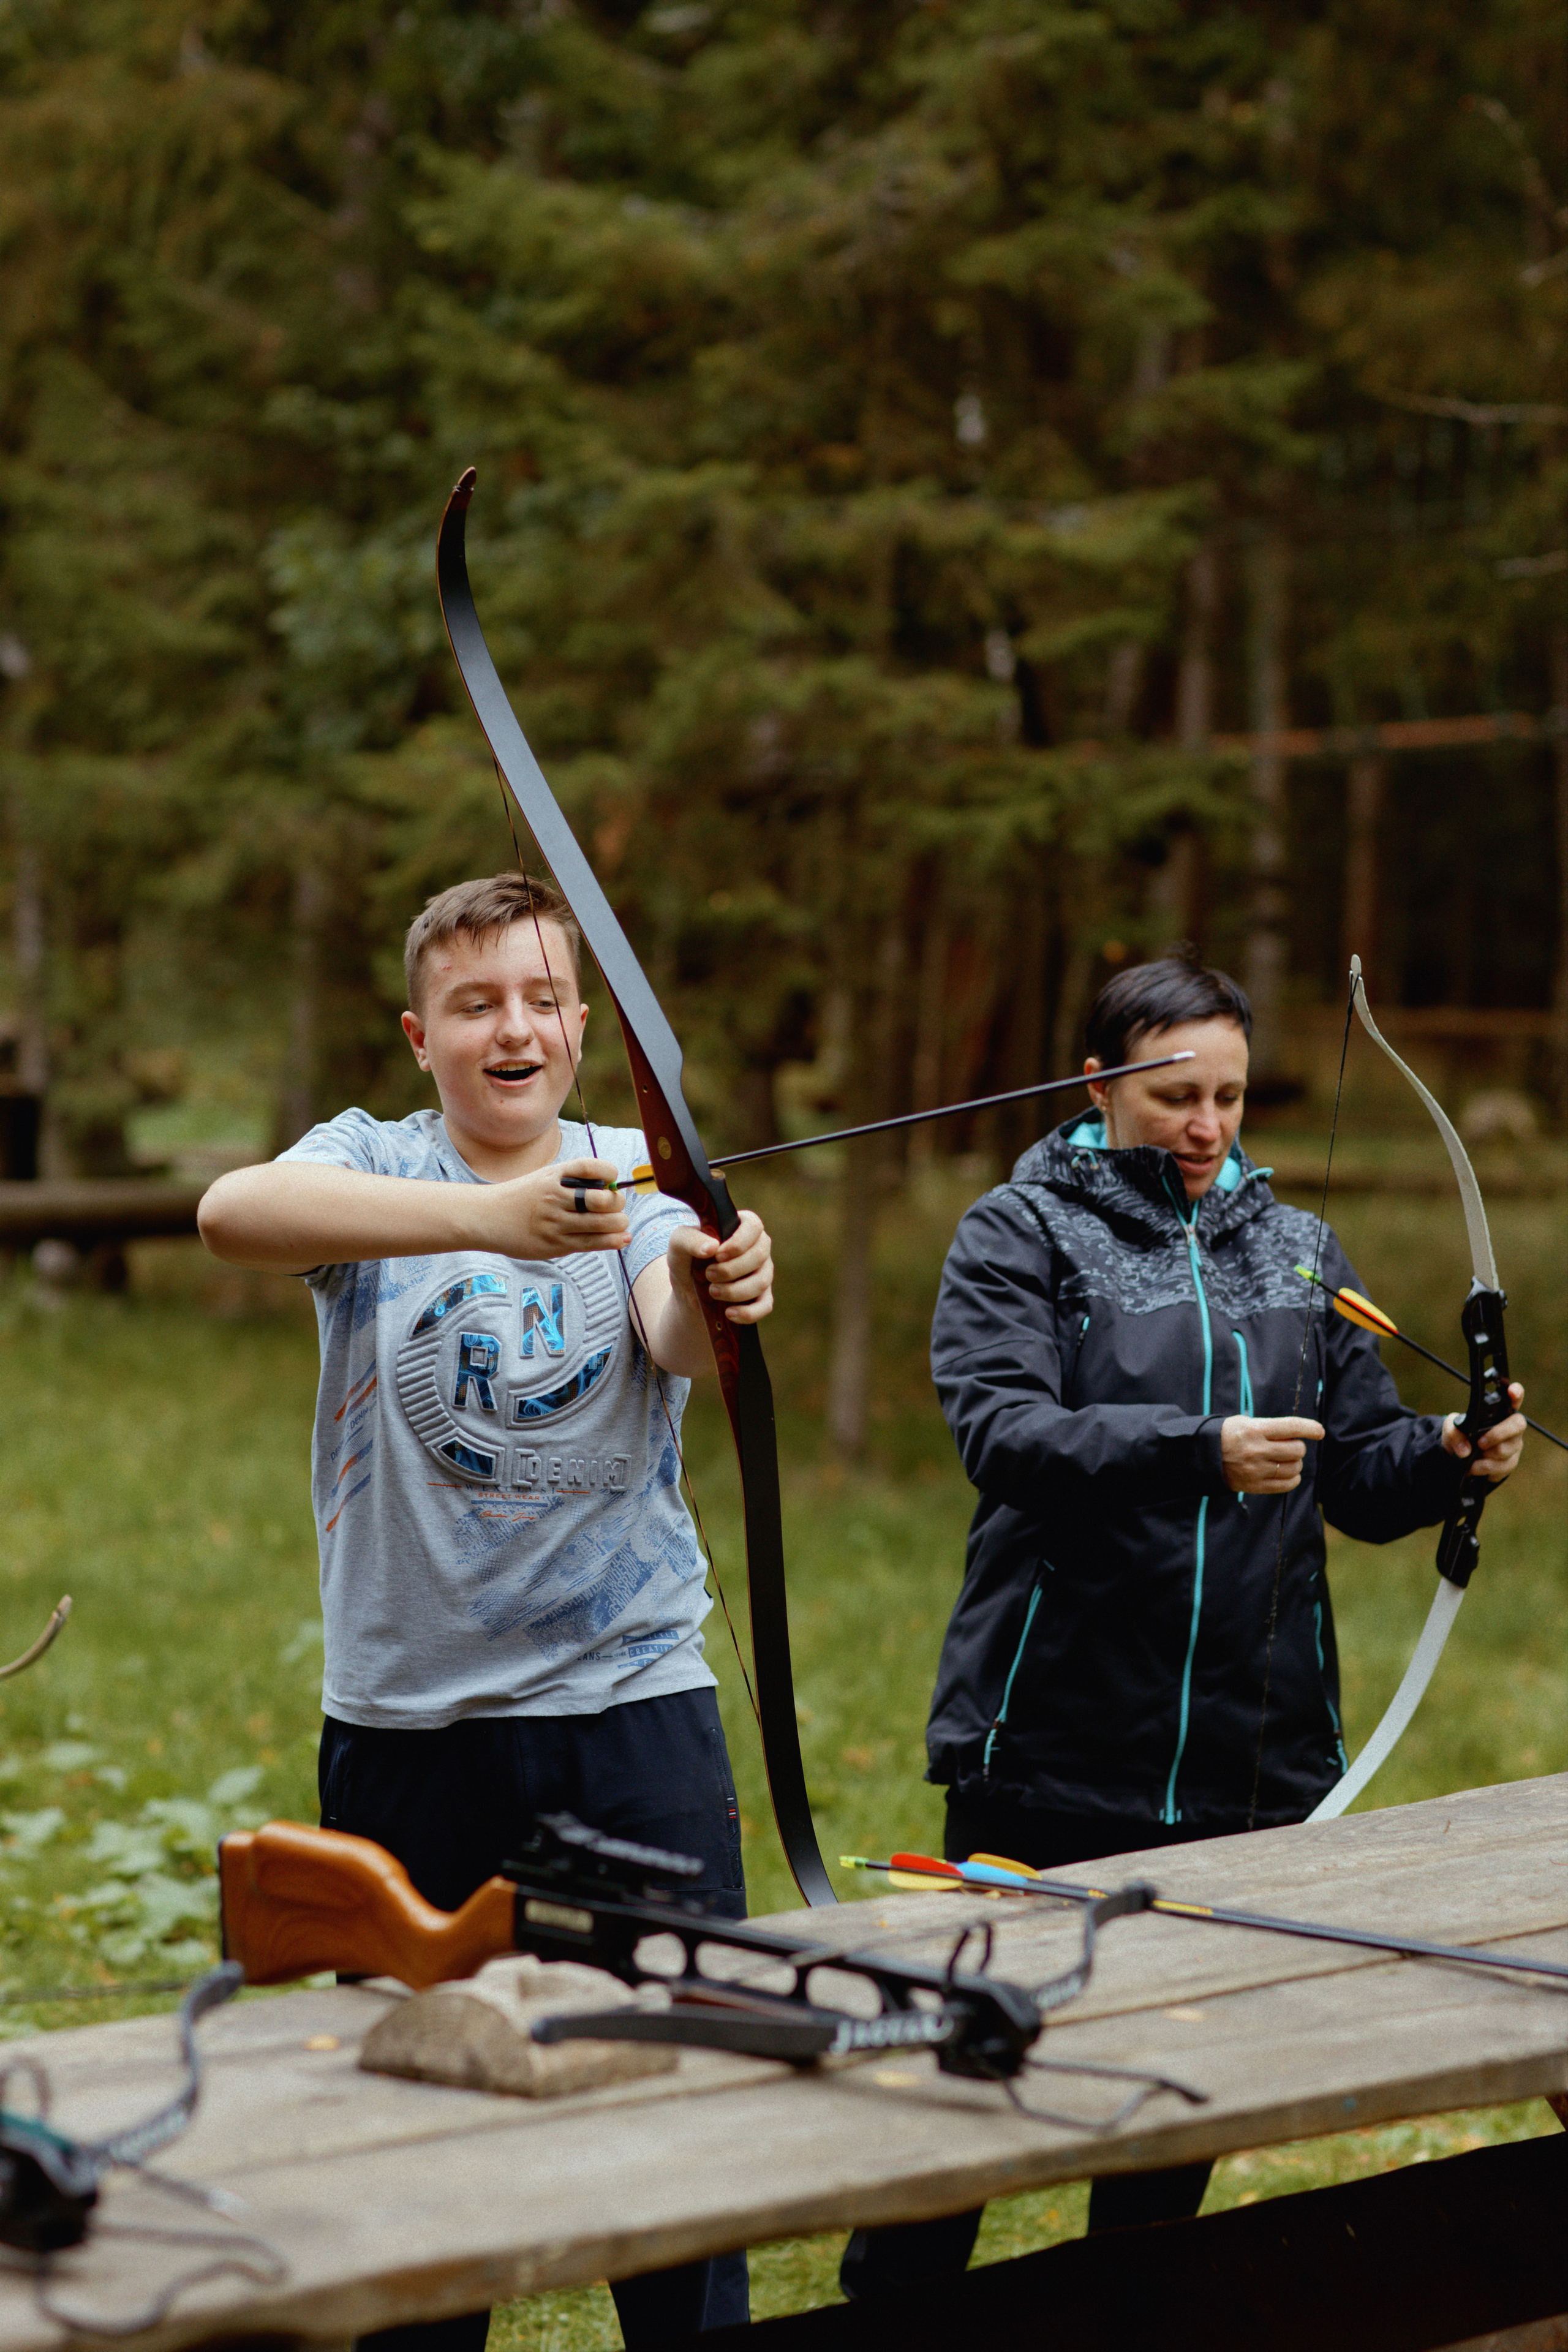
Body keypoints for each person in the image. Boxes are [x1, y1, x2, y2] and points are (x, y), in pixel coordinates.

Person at [840, 948, 1527, 2300]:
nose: (1207, 1126)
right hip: (1051, 1741)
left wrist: (1449, 1453)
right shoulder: (1018, 1232)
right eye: (1174, 1097)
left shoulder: (1296, 1248)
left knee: (1174, 2098)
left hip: (1245, 1753)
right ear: (1098, 1084)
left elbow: (1356, 1473)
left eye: (1228, 1097)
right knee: (973, 2088)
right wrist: (1198, 1449)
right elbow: (1004, 1433)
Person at [198, 871, 774, 2349]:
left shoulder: (637, 1170)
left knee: (674, 2125)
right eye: (473, 1005)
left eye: (540, 999)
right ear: (420, 1034)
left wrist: (713, 1281)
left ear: (582, 1024)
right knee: (415, 2147)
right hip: (410, 1724)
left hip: (629, 1711)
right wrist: (491, 1219)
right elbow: (229, 1212)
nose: (511, 1029)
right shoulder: (374, 1162)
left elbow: (671, 1335)